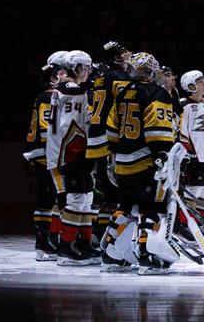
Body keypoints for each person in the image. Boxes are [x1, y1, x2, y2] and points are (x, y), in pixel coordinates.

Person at [103, 52, 178, 275]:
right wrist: (164, 157)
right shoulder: (157, 93)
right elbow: (159, 131)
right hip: (147, 162)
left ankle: (107, 252)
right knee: (151, 208)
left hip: (123, 162)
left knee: (125, 208)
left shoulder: (122, 92)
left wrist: (116, 154)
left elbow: (111, 130)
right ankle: (147, 255)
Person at [47, 50, 99, 266]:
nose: (88, 72)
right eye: (85, 68)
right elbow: (71, 128)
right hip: (71, 154)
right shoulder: (69, 89)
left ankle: (84, 244)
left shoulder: (67, 89)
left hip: (71, 153)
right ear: (76, 68)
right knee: (76, 200)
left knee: (86, 199)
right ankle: (66, 248)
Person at [88, 40, 132, 250]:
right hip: (111, 141)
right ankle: (104, 237)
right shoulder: (121, 79)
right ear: (116, 58)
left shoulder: (101, 79)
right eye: (124, 51)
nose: (128, 53)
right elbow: (123, 111)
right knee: (116, 194)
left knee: (106, 193)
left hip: (97, 140)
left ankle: (99, 234)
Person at [25, 51, 66, 261]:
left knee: (47, 199)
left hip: (44, 153)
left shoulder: (45, 96)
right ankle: (46, 243)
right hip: (50, 154)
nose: (64, 75)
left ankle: (45, 243)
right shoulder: (50, 96)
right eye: (60, 73)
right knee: (52, 199)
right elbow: (45, 127)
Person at [177, 71, 204, 224]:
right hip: (196, 158)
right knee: (193, 192)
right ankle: (187, 226)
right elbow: (182, 133)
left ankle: (202, 226)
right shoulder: (183, 105)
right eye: (200, 81)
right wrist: (188, 153)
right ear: (191, 85)